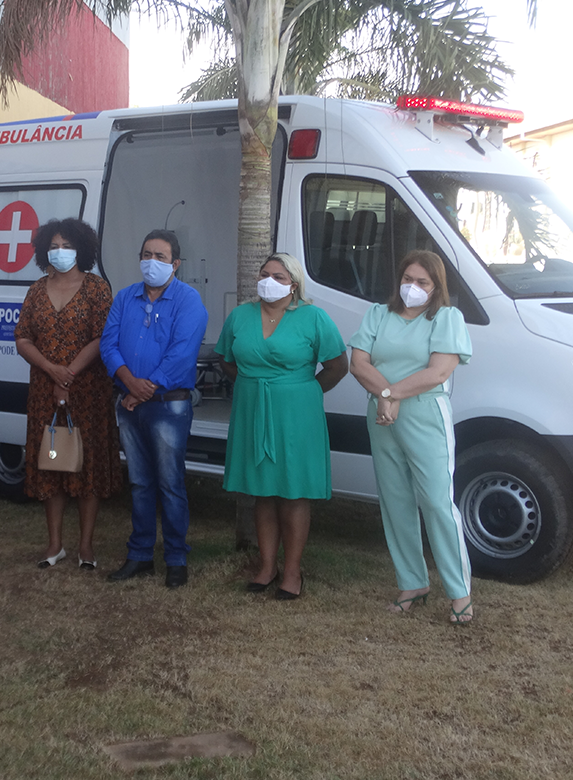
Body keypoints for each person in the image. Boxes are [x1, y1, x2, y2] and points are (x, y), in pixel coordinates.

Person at [348, 249, 475, 624]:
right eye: (407, 279)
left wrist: (390, 395)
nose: (412, 287)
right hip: (382, 415)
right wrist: (385, 398)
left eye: (422, 282)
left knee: (436, 502)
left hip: (423, 414)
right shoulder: (378, 314)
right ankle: (412, 583)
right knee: (395, 501)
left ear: (436, 286)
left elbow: (438, 372)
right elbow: (359, 362)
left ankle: (460, 592)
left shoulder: (447, 319)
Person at [218, 253, 347, 599]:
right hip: (253, 409)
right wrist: (251, 385)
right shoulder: (240, 316)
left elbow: (338, 365)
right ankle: (266, 566)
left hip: (297, 414)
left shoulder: (313, 317)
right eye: (264, 274)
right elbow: (226, 360)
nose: (269, 281)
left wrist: (304, 391)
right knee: (263, 490)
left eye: (278, 276)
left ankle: (292, 571)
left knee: (293, 491)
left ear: (294, 284)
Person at [100, 229, 208, 588]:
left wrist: (142, 390)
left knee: (170, 484)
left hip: (168, 407)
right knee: (139, 483)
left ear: (175, 264)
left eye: (160, 257)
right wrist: (129, 383)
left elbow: (182, 353)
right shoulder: (124, 297)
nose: (152, 262)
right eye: (147, 255)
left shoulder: (188, 300)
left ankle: (176, 558)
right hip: (130, 405)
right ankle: (140, 555)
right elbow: (108, 345)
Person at [15, 218, 122, 569]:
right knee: (52, 461)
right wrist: (52, 370)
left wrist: (69, 374)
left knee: (86, 465)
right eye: (54, 246)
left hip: (87, 392)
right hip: (44, 391)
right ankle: (55, 544)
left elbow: (102, 338)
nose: (59, 252)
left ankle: (86, 545)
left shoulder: (96, 288)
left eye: (67, 246)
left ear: (82, 250)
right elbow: (22, 337)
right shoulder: (36, 290)